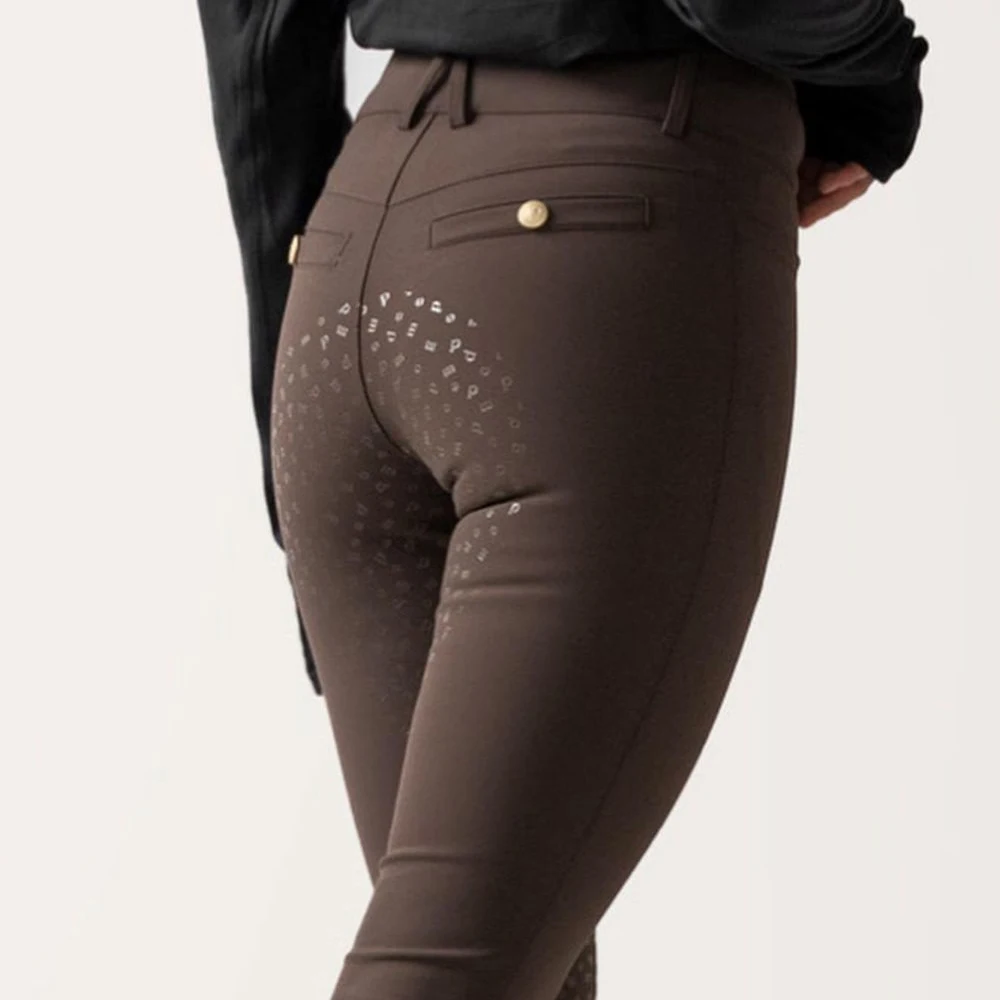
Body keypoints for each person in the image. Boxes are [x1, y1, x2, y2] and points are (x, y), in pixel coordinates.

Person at [195, 4, 929, 1000]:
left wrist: (288, 348)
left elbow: (255, 24)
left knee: (519, 969)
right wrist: (873, 74)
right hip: (591, 235)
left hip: (345, 257)